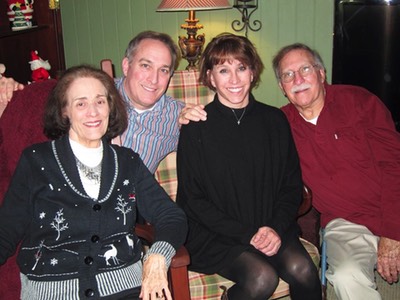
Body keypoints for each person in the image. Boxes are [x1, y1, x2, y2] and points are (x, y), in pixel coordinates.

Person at [0, 65, 187, 300]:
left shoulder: (127, 162)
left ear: (110, 106)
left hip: (123, 290)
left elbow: (171, 216)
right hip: (53, 293)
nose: (93, 112)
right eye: (81, 103)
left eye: (100, 101)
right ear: (64, 111)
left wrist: (158, 256)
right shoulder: (37, 161)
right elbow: (6, 230)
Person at [176, 33, 321, 300]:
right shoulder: (195, 127)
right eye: (223, 70)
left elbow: (291, 186)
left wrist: (274, 227)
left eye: (241, 68)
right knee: (261, 277)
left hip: (270, 225)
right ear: (210, 77)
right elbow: (192, 200)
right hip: (217, 234)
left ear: (252, 72)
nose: (234, 80)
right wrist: (247, 234)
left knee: (304, 270)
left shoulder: (275, 120)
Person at [272, 43, 400, 300]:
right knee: (345, 275)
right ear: (282, 88)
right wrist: (188, 115)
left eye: (305, 69)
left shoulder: (360, 102)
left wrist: (392, 232)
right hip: (346, 224)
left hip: (394, 209)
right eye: (288, 75)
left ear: (321, 74)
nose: (297, 79)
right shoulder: (278, 124)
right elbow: (237, 136)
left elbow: (394, 165)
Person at [0, 31, 206, 174]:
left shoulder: (176, 116)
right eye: (145, 66)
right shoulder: (95, 92)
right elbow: (39, 102)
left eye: (163, 70)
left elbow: (212, 152)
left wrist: (192, 126)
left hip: (120, 213)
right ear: (126, 66)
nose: (154, 79)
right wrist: (13, 91)